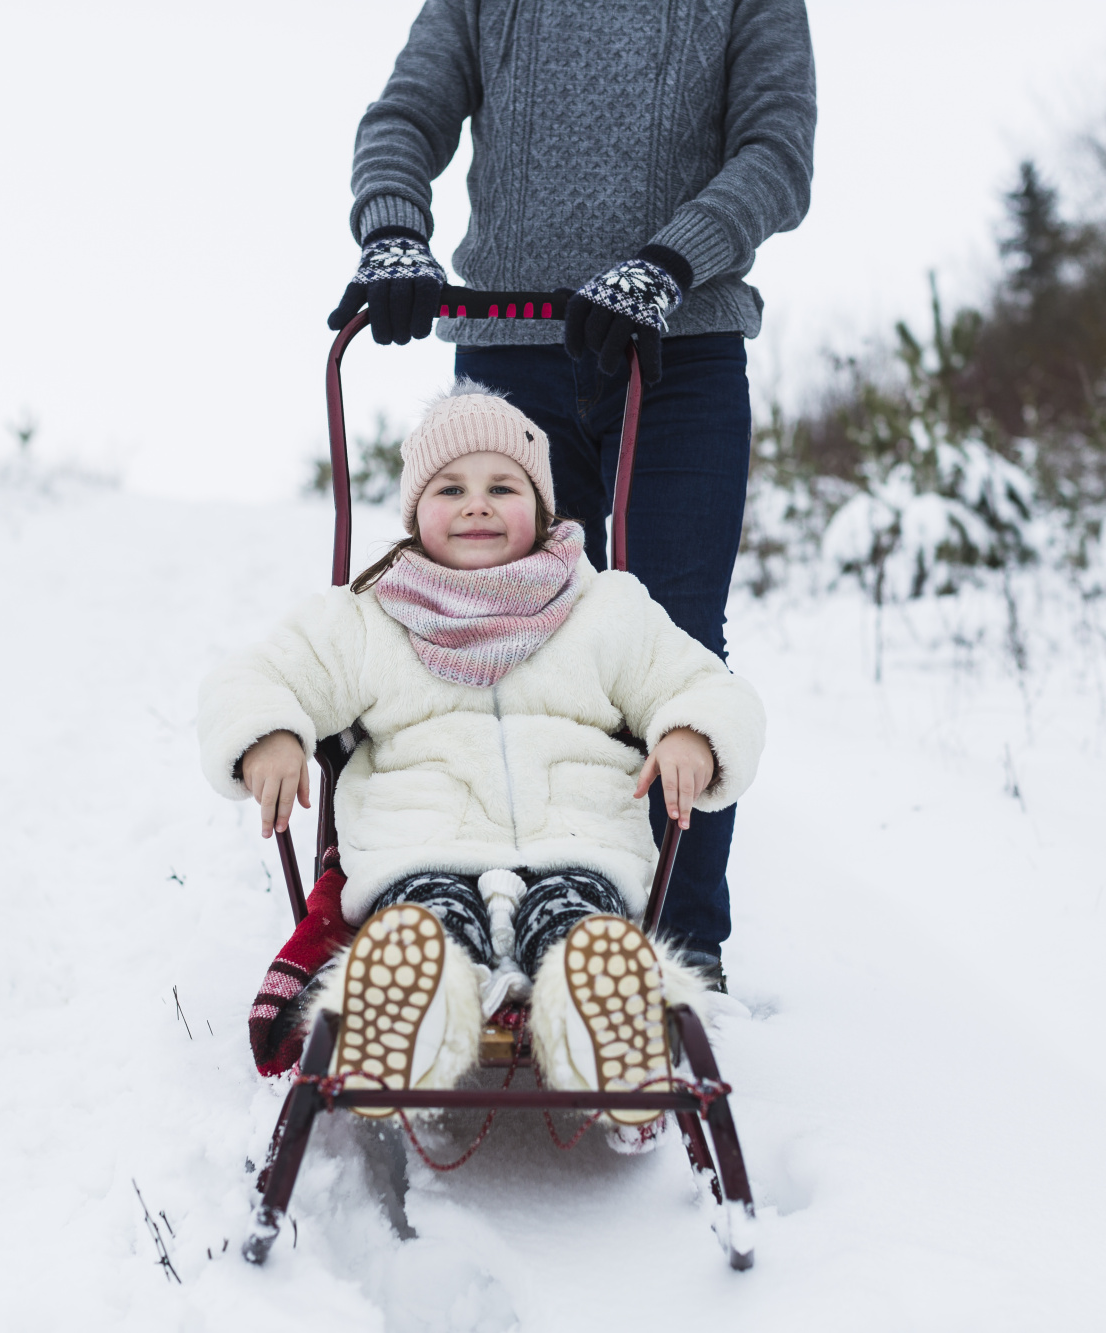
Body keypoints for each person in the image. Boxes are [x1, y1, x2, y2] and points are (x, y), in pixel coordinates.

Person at [328, 0, 816, 980]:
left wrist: (668, 262)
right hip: (516, 350)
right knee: (496, 640)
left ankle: (676, 946)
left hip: (678, 352)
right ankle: (492, 910)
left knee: (670, 642)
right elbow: (405, 117)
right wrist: (392, 228)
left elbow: (774, 152)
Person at [201, 386, 764, 1133]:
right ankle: (409, 1010)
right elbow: (256, 675)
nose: (477, 504)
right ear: (413, 512)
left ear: (543, 506)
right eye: (450, 488)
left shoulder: (604, 608)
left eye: (503, 486)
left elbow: (703, 684)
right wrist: (269, 731)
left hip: (581, 847)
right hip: (418, 847)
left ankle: (605, 1016)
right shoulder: (369, 616)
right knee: (425, 924)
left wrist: (691, 730)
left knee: (580, 924)